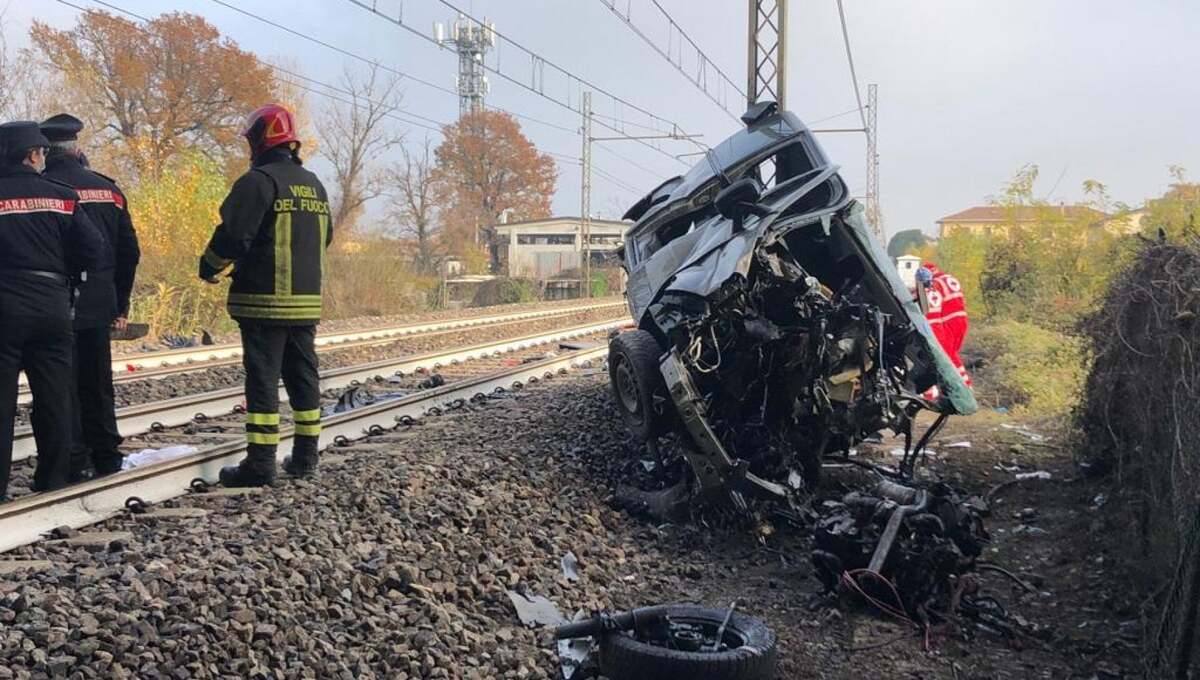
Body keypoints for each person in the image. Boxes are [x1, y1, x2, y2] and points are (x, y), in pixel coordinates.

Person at [198, 104, 332, 487]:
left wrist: (208, 266)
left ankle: (260, 463)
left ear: (261, 139)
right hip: (306, 304)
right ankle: (306, 457)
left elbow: (233, 237)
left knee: (263, 381)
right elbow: (328, 237)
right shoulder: (315, 185)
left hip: (263, 303)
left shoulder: (256, 182)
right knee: (303, 377)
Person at [0, 121, 104, 500]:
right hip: (52, 305)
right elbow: (93, 250)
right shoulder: (61, 196)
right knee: (56, 398)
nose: (44, 159)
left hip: (4, 307)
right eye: (42, 153)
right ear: (31, 155)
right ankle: (53, 482)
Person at [40, 113, 141, 480]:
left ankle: (73, 456)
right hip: (100, 303)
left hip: (55, 300)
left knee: (61, 382)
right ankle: (107, 454)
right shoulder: (109, 190)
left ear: (44, 152)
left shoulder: (44, 188)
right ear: (77, 147)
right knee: (98, 382)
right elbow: (129, 251)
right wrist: (120, 303)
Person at [919, 262, 972, 390]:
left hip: (948, 321)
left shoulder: (934, 285)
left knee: (947, 355)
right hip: (962, 319)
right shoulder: (949, 278)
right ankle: (955, 386)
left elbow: (931, 309)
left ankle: (963, 386)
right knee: (952, 353)